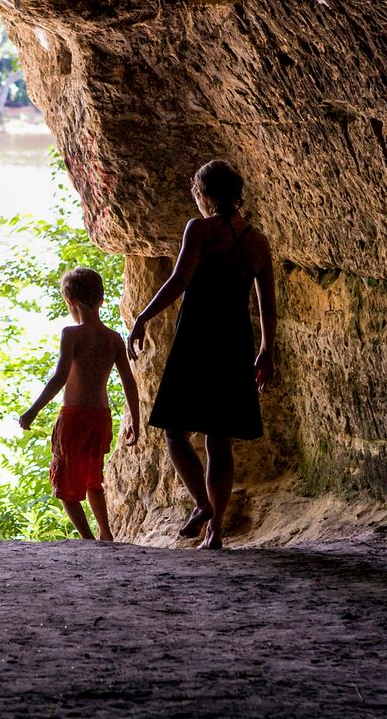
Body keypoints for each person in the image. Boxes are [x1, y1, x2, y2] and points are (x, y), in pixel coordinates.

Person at [127, 159, 276, 549]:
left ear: (204, 194)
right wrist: (265, 351)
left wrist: (142, 317)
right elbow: (267, 304)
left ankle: (202, 505)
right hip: (234, 342)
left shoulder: (200, 229)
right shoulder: (258, 242)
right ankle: (216, 531)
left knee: (176, 433)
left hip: (197, 338)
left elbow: (180, 279)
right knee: (219, 442)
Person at [20, 268, 141, 541]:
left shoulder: (71, 333)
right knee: (92, 481)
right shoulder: (113, 338)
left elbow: (60, 377)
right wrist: (135, 420)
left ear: (71, 302)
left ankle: (87, 539)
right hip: (101, 418)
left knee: (65, 487)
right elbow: (129, 383)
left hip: (74, 418)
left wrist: (33, 410)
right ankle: (106, 534)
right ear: (100, 300)